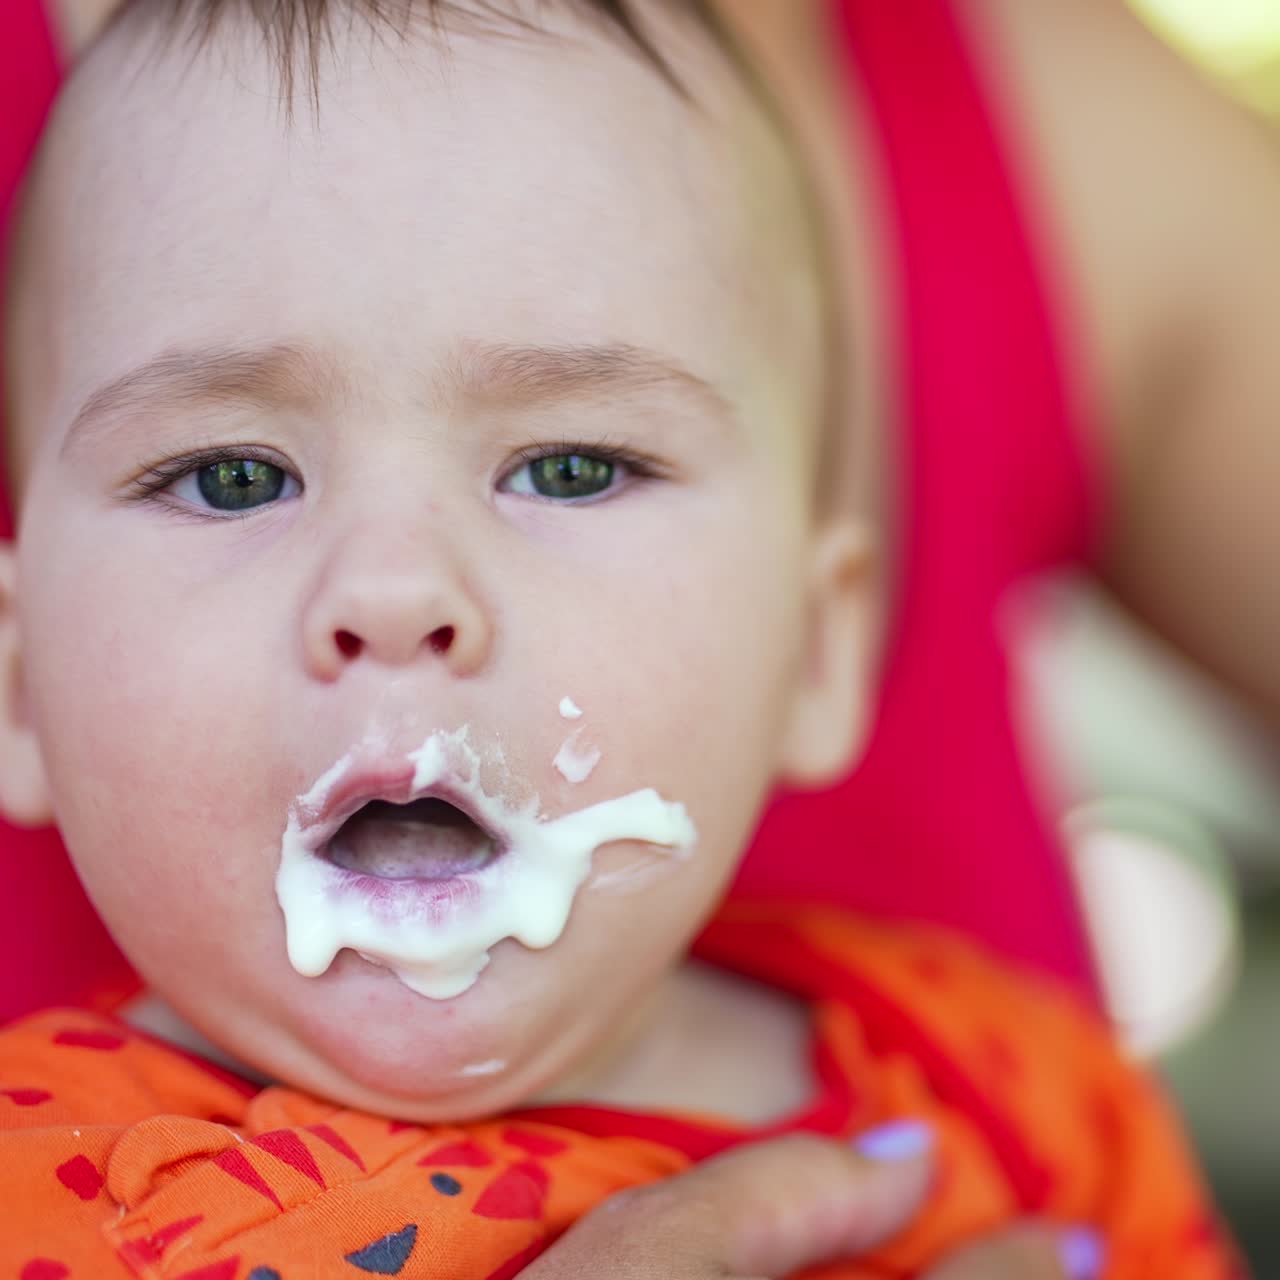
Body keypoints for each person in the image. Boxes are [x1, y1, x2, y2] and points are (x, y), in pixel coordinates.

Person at [0, 2, 1244, 1278]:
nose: (391, 585)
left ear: (816, 652)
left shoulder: (1018, 1091)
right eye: (232, 480)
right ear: (24, 680)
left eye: (571, 466)